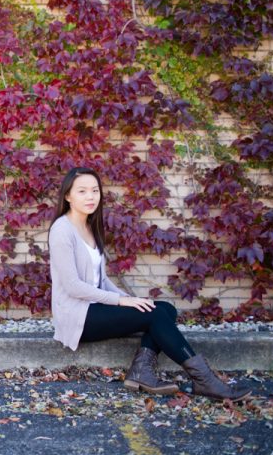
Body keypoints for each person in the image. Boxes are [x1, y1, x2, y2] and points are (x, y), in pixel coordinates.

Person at [47, 166, 250, 400]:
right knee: (153, 315)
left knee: (164, 308)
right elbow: (72, 286)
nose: (90, 196)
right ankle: (205, 380)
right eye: (82, 191)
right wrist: (122, 301)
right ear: (67, 196)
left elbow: (101, 280)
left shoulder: (90, 226)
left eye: (95, 190)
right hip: (77, 316)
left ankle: (142, 370)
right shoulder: (62, 230)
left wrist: (131, 300)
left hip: (95, 307)